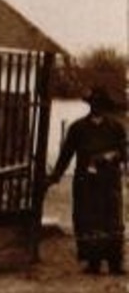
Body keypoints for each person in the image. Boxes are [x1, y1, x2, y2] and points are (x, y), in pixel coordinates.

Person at [48, 87, 127, 275]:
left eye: (100, 104)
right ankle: (93, 262)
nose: (97, 107)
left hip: (109, 181)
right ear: (90, 105)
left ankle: (115, 262)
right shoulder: (78, 128)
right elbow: (66, 154)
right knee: (88, 220)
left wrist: (110, 156)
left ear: (106, 107)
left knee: (111, 220)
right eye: (94, 104)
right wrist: (56, 176)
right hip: (86, 181)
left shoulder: (116, 128)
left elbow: (124, 153)